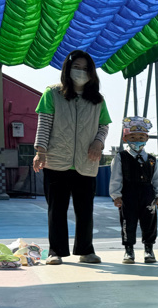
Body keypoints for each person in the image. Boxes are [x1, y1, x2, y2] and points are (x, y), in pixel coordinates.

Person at [33, 50, 111, 265]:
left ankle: (86, 251)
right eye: (77, 67)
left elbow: (103, 126)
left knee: (85, 210)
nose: (81, 72)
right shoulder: (52, 93)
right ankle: (55, 251)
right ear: (67, 69)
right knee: (56, 210)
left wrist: (98, 142)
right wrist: (40, 152)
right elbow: (44, 125)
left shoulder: (97, 100)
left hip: (86, 163)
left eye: (86, 69)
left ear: (92, 72)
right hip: (56, 162)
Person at [109, 115, 158, 264]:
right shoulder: (121, 157)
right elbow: (116, 177)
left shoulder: (152, 160)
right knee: (128, 221)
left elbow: (157, 179)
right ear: (125, 138)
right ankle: (129, 250)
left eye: (141, 137)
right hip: (128, 193)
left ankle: (149, 249)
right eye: (132, 137)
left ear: (146, 138)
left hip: (148, 194)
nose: (137, 140)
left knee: (149, 221)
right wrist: (116, 195)